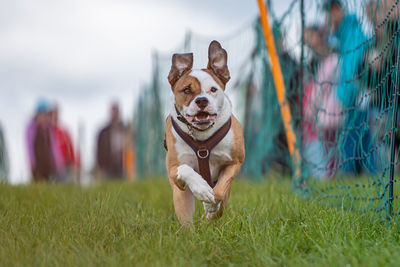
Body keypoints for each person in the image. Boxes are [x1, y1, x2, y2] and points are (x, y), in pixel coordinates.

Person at [323, 0, 377, 175]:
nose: (328, 17)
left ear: (339, 10)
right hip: (354, 98)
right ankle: (362, 175)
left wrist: (345, 97)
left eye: (331, 11)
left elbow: (353, 70)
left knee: (356, 142)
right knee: (360, 140)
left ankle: (357, 175)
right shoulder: (342, 36)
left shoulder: (352, 34)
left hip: (358, 97)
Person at [27, 99, 57, 182]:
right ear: (37, 114)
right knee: (38, 180)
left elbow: (52, 146)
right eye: (42, 115)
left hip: (47, 162)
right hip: (37, 161)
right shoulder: (32, 128)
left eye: (45, 115)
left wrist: (55, 160)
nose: (43, 118)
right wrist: (31, 160)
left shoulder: (48, 129)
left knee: (47, 180)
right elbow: (29, 146)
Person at [96, 102, 126, 180]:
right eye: (113, 112)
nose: (115, 114)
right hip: (108, 165)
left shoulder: (125, 129)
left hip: (122, 164)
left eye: (116, 112)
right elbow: (99, 150)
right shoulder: (104, 132)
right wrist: (100, 165)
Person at [50, 104, 78, 182]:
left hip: (65, 165)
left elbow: (70, 147)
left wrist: (74, 161)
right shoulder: (48, 132)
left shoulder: (63, 130)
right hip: (53, 166)